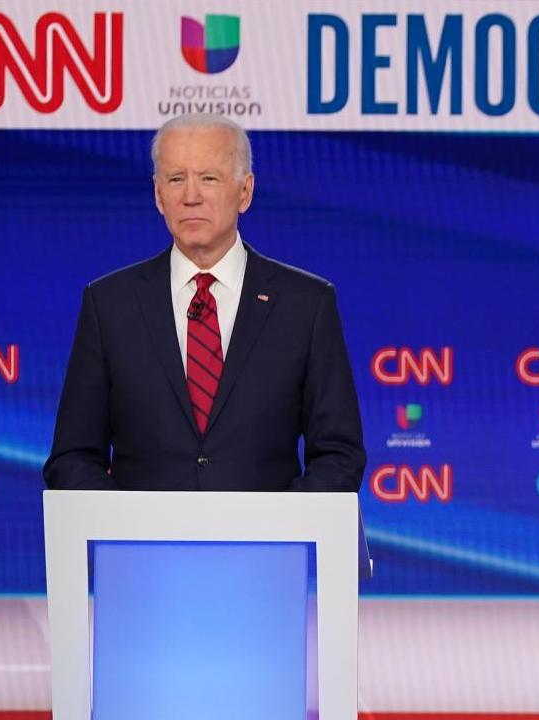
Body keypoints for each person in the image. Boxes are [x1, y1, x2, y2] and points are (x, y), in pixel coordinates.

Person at [43, 114, 365, 494]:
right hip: (142, 550)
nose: (190, 195)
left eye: (209, 178)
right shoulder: (110, 304)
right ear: (158, 195)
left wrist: (278, 533)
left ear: (245, 192)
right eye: (176, 179)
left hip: (266, 549)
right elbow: (73, 458)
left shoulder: (305, 304)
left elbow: (339, 455)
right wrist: (128, 534)